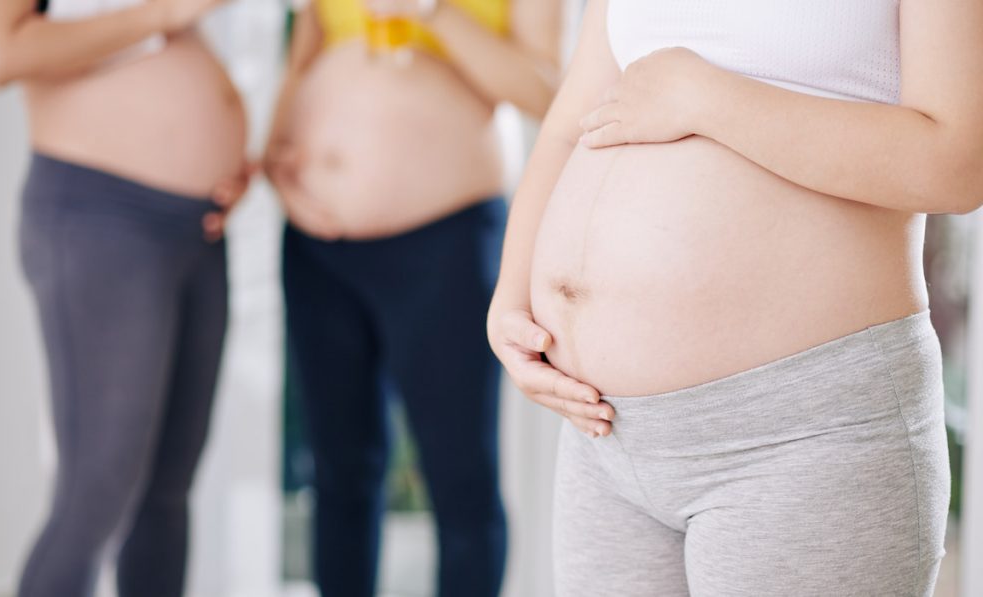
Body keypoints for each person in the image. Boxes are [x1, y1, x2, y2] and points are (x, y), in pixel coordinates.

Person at [488, 0, 976, 594]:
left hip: (804, 435)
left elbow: (955, 162)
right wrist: (510, 301)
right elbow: (573, 122)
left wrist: (709, 99)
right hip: (605, 437)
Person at [263, 0, 561, 594]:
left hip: (444, 240)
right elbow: (305, 56)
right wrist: (277, 164)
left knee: (459, 479)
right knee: (339, 473)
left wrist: (432, 11)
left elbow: (549, 91)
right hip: (318, 248)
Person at [0, 1, 253, 595]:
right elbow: (0, 54)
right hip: (103, 214)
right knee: (98, 486)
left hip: (196, 226)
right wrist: (166, 11)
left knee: (166, 491)